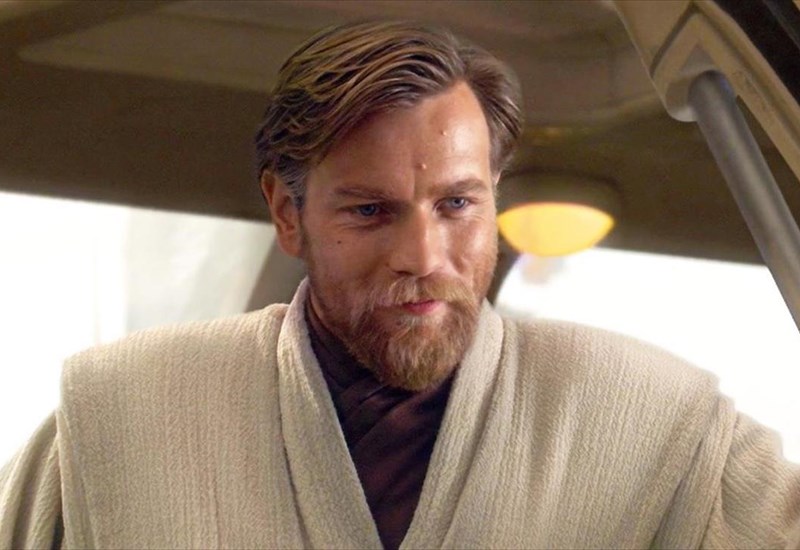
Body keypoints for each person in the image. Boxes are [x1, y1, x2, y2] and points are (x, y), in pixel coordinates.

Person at [2, 19, 800, 549]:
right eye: (371, 211)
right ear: (287, 213)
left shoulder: (654, 427)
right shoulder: (119, 424)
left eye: (457, 204)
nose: (422, 254)